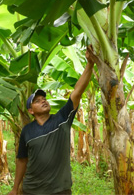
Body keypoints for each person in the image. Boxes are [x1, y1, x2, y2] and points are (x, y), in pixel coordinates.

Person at [8, 47, 95, 195]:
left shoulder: (62, 118)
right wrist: (15, 189)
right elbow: (22, 160)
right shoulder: (27, 131)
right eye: (37, 101)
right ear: (31, 111)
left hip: (59, 190)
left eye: (44, 99)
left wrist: (90, 64)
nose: (43, 101)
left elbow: (77, 92)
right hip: (32, 190)